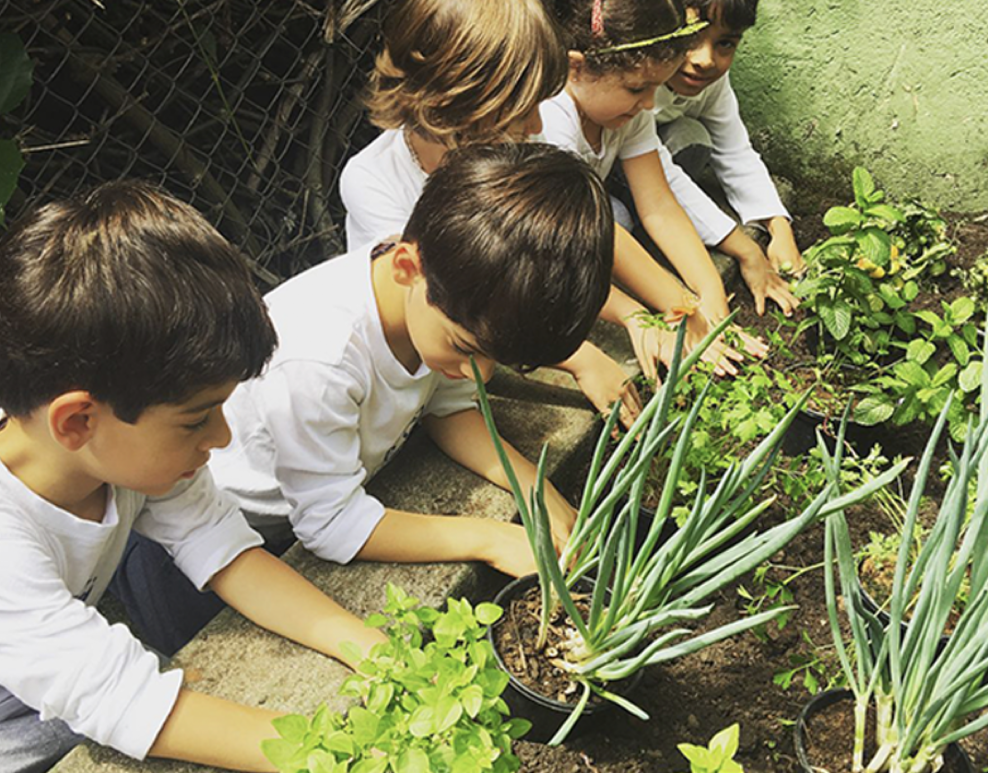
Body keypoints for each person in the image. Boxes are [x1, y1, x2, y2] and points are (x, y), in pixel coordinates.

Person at [0, 181, 386, 773]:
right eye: (196, 419)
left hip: (43, 681)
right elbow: (125, 701)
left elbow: (224, 550)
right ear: (77, 420)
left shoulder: (115, 457)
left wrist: (373, 650)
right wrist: (369, 755)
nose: (221, 438)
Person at [212, 143, 613, 575]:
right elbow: (330, 525)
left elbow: (448, 407)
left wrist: (534, 489)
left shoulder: (438, 303)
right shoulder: (320, 360)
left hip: (312, 495)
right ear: (407, 266)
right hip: (231, 529)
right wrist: (489, 538)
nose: (480, 375)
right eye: (465, 348)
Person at [339, 0, 678, 408]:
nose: (537, 126)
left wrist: (643, 312)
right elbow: (460, 300)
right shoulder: (372, 182)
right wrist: (582, 359)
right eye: (523, 111)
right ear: (456, 103)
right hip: (435, 366)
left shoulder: (509, 143)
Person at [541, 0, 797, 352]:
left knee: (617, 217)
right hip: (542, 228)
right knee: (609, 225)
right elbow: (592, 229)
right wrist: (684, 306)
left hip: (585, 208)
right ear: (576, 68)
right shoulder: (551, 118)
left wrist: (711, 296)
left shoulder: (633, 103)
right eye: (637, 89)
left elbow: (659, 205)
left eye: (653, 89)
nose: (650, 104)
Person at [653, 0, 805, 302]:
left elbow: (734, 150)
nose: (705, 59)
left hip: (650, 161)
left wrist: (778, 227)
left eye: (725, 43)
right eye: (690, 38)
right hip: (615, 168)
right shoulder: (637, 78)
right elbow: (658, 175)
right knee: (617, 218)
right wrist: (743, 248)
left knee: (691, 139)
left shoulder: (711, 82)